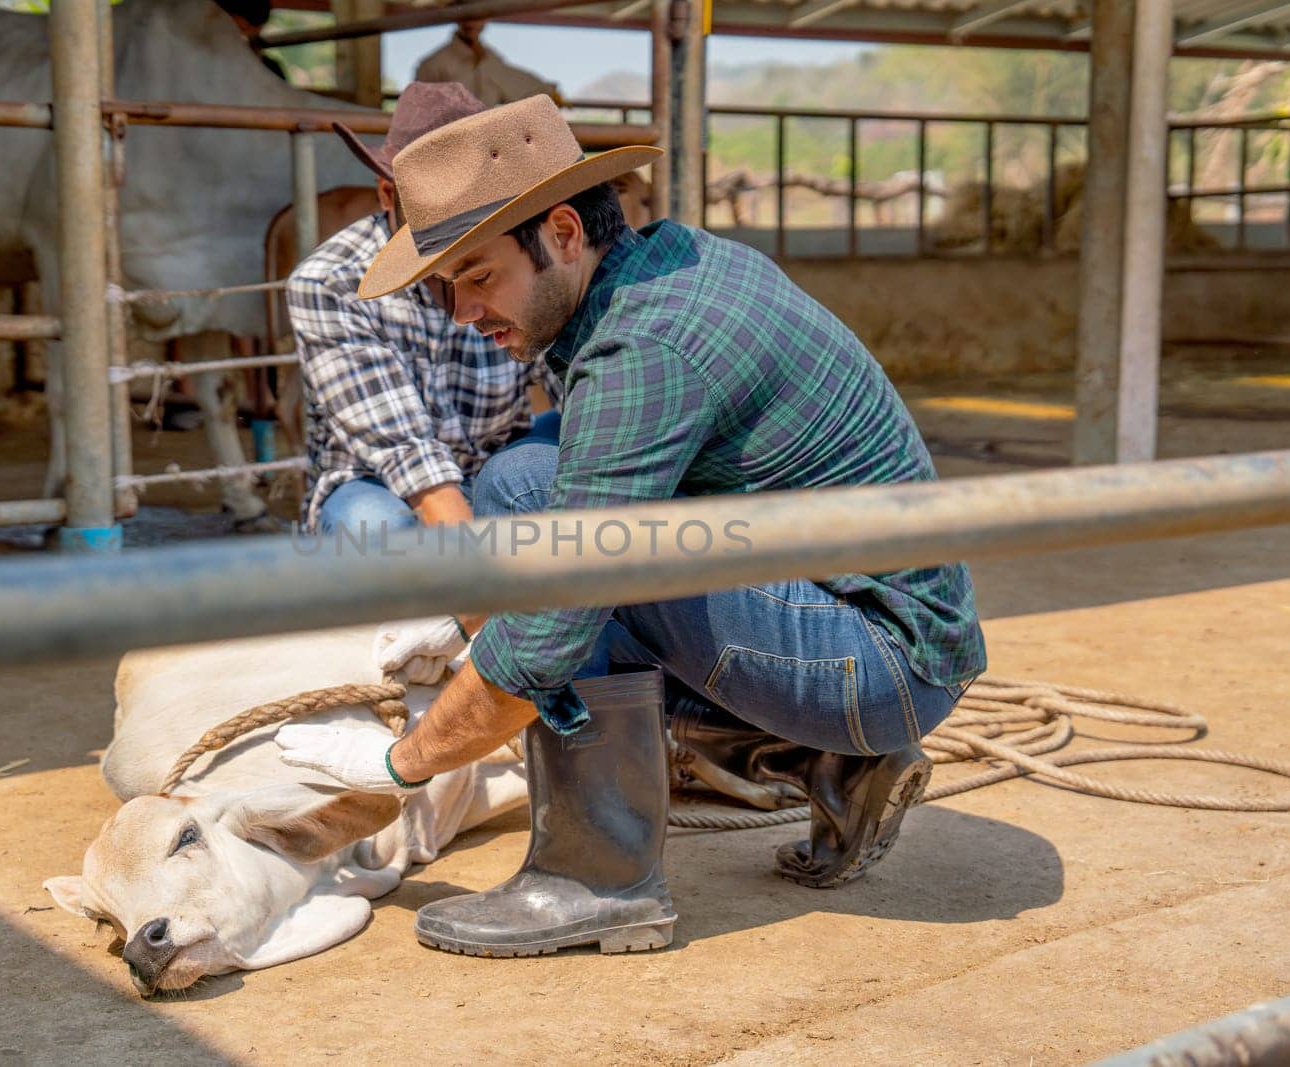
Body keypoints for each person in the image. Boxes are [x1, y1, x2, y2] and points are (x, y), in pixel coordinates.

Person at [276, 96, 987, 957]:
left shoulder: (643, 349)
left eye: (478, 275)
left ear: (566, 232)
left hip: (877, 661)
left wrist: (401, 763)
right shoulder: (672, 263)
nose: (463, 313)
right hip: (864, 616)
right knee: (530, 481)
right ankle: (815, 761)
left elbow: (548, 629)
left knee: (529, 516)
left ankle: (593, 878)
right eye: (448, 286)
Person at [287, 84, 560, 677]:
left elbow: (567, 372)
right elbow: (405, 450)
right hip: (381, 483)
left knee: (594, 430)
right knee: (374, 530)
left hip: (496, 460)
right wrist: (485, 592)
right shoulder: (329, 281)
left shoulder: (516, 254)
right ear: (388, 193)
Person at [412, 0, 562, 107]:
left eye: (479, 12)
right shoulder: (432, 66)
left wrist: (546, 92)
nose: (471, 20)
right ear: (455, 13)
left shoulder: (492, 59)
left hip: (485, 144)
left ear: (488, 15)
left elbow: (514, 82)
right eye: (465, 11)